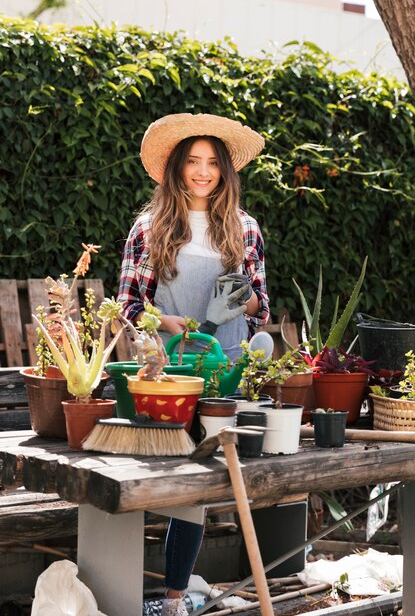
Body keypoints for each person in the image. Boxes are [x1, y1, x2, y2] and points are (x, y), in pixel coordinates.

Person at [117, 112, 270, 616]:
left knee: (203, 484)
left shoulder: (244, 228)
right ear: (177, 168)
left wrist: (238, 299)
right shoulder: (150, 227)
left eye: (212, 163)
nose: (203, 172)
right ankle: (158, 593)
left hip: (226, 368)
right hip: (170, 372)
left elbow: (261, 307)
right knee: (166, 480)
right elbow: (129, 305)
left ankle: (175, 597)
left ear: (225, 170)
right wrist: (172, 321)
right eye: (193, 162)